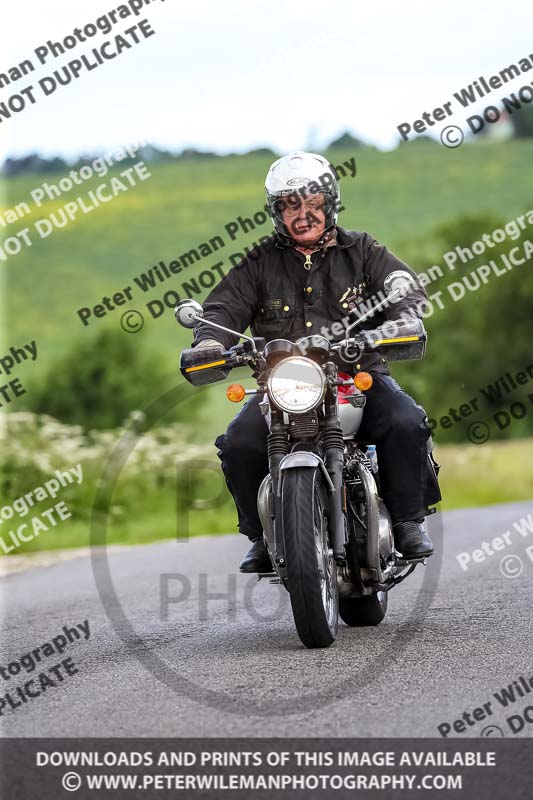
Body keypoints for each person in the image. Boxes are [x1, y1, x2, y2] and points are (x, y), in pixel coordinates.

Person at [184, 151, 438, 572]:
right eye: (290, 205)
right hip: (282, 383)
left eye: (313, 203)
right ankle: (262, 536)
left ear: (330, 202)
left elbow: (405, 290)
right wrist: (210, 340)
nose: (304, 214)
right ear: (276, 212)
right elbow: (221, 310)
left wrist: (402, 320)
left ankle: (408, 520)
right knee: (239, 443)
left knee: (406, 421)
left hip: (356, 375)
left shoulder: (362, 250)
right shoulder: (258, 262)